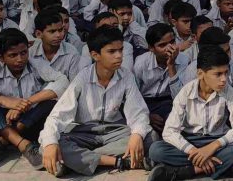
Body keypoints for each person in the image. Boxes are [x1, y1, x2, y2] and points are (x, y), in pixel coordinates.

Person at [39, 28, 155, 176]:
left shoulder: (126, 76)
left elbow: (138, 111)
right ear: (95, 55)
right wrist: (50, 143)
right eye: (112, 51)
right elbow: (58, 115)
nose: (119, 56)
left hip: (114, 132)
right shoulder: (82, 78)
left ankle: (79, 160)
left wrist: (137, 135)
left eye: (120, 50)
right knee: (49, 144)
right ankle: (118, 161)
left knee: (150, 136)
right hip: (83, 133)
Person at [0, 29, 68, 169]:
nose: (20, 59)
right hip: (5, 120)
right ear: (1, 57)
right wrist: (3, 100)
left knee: (51, 102)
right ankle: (25, 145)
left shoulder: (36, 65)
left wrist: (26, 103)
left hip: (30, 121)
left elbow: (63, 81)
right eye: (13, 55)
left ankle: (2, 142)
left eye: (23, 53)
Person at [148, 45, 233, 181]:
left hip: (217, 140)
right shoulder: (186, 92)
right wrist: (193, 151)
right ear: (200, 74)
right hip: (191, 140)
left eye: (226, 73)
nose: (224, 79)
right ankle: (226, 166)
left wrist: (211, 148)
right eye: (218, 74)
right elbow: (169, 131)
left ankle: (185, 172)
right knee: (156, 150)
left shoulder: (229, 92)